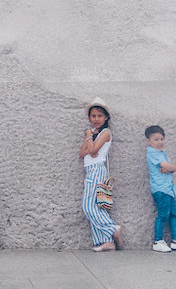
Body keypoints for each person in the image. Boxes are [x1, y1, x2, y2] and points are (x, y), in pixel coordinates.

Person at [79, 99, 123, 252]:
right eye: (93, 116)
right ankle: (106, 242)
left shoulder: (105, 133)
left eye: (99, 116)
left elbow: (90, 151)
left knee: (87, 206)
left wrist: (88, 137)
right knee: (97, 208)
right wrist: (90, 140)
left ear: (106, 118)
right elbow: (82, 153)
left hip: (97, 170)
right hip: (90, 170)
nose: (96, 119)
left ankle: (112, 229)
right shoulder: (93, 134)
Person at [145, 124, 176, 252]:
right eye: (156, 139)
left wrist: (169, 168)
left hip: (169, 189)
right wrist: (173, 168)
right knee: (163, 214)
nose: (160, 142)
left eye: (161, 139)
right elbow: (167, 166)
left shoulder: (162, 152)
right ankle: (158, 241)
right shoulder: (152, 152)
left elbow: (167, 167)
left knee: (175, 214)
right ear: (148, 141)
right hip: (160, 189)